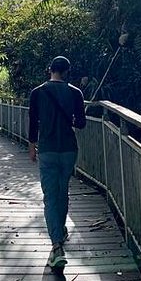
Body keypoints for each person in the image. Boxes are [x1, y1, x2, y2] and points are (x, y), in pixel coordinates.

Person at [28, 56, 86, 269]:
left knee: (50, 196)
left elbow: (33, 121)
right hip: (69, 149)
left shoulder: (37, 92)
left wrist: (32, 145)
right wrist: (71, 119)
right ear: (67, 72)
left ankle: (56, 245)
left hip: (48, 149)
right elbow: (81, 123)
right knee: (63, 192)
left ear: (49, 70)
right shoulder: (76, 93)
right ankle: (60, 232)